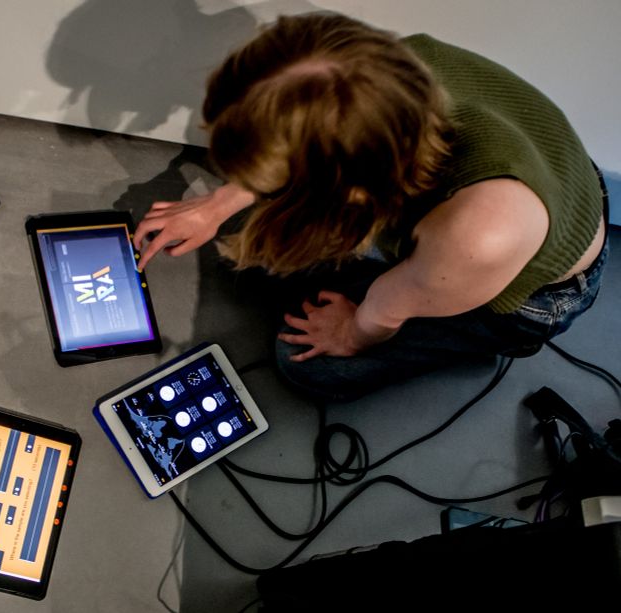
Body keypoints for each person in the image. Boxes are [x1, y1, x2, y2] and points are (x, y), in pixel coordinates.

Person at [132, 13, 609, 402]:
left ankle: (486, 335)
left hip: (530, 285)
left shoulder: (477, 233)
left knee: (304, 365)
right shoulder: (369, 72)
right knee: (266, 273)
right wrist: (216, 206)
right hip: (534, 187)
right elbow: (298, 130)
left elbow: (382, 313)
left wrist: (353, 333)